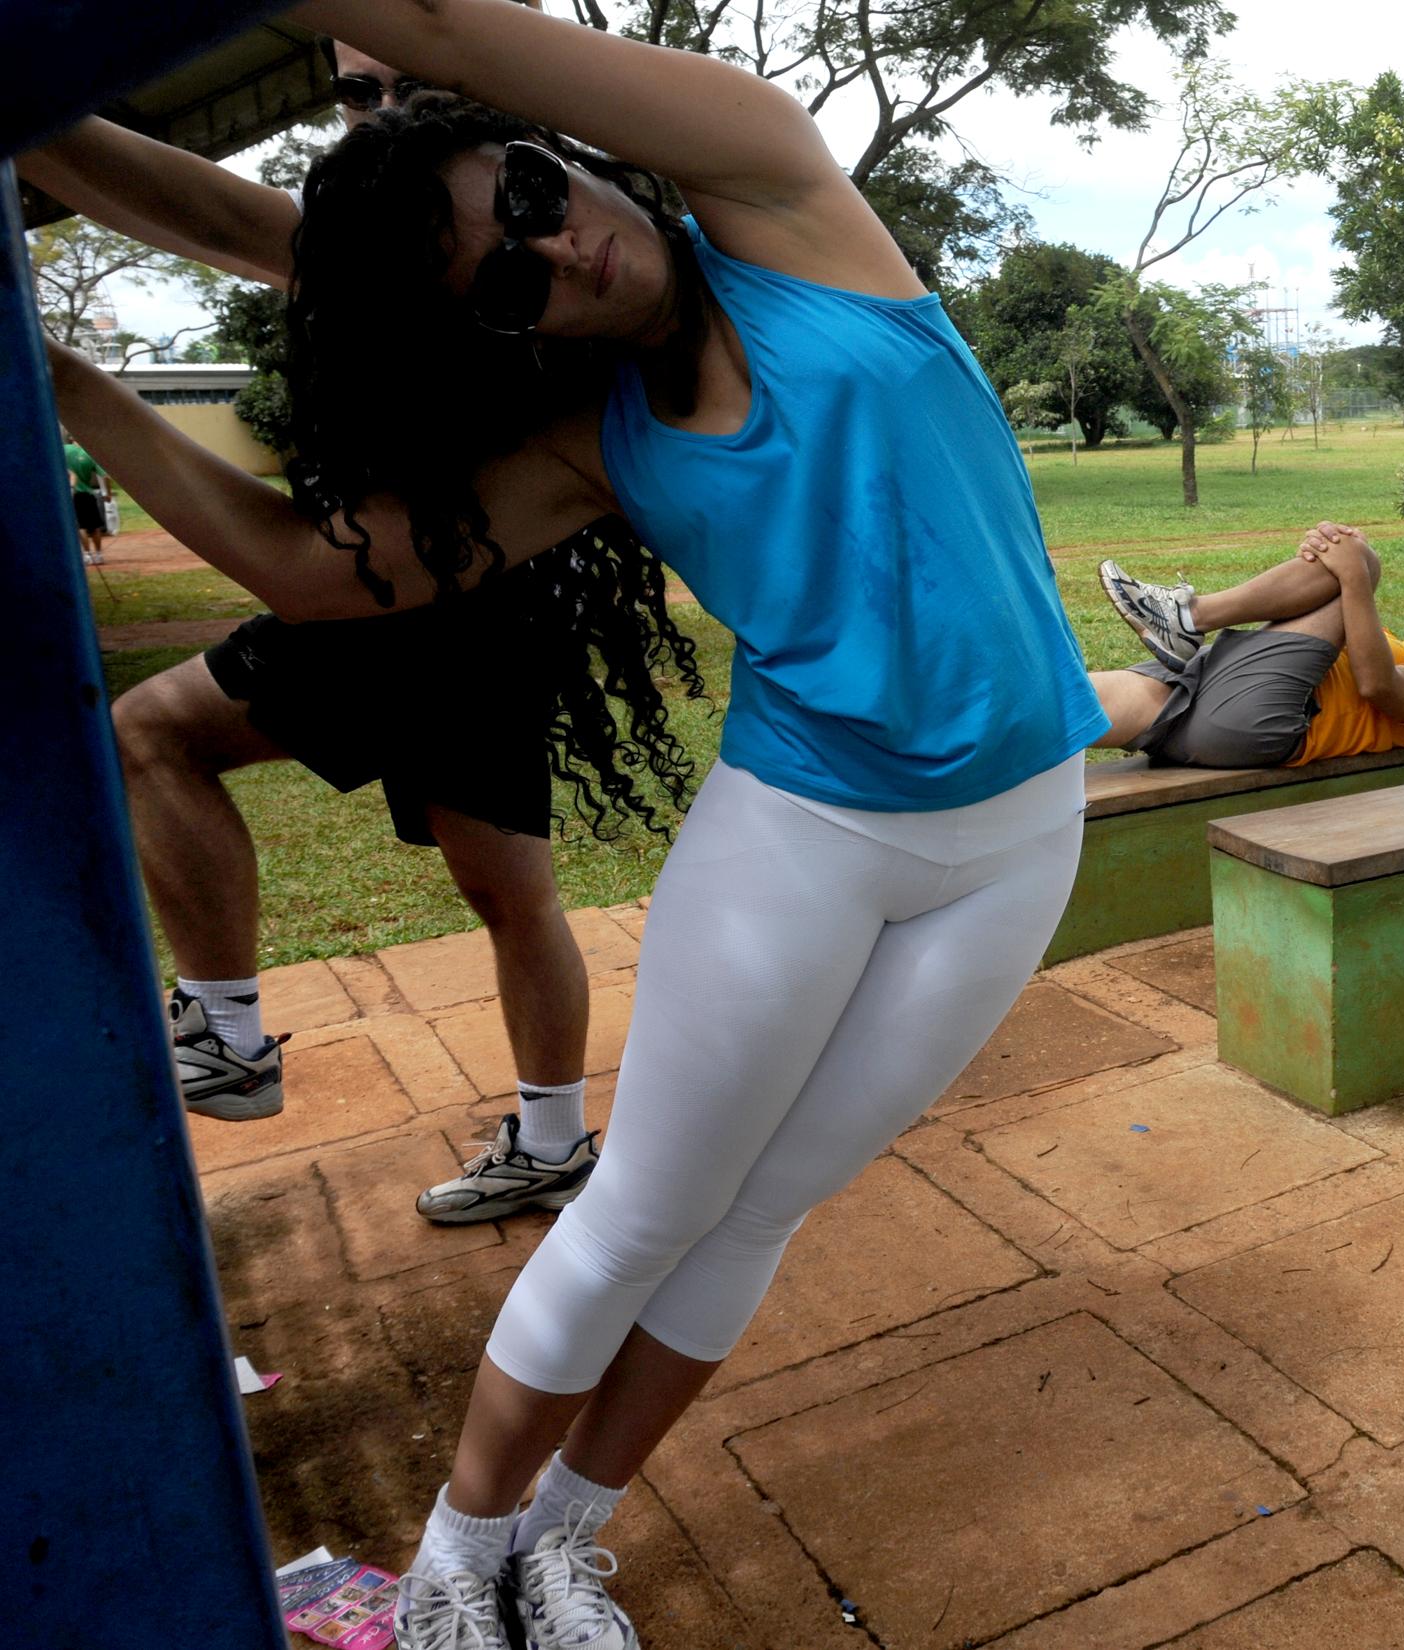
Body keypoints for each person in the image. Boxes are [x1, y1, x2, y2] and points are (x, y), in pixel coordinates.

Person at [48, 2, 1108, 1641]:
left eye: (538, 196)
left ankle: (565, 1533)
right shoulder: (583, 439)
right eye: (511, 278)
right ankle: (460, 1564)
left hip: (1024, 839)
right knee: (642, 1214)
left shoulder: (774, 193)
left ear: (568, 152)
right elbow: (310, 571)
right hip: (806, 840)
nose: (567, 251)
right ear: (501, 333)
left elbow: (435, 25)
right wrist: (54, 376)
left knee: (764, 1211)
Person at [19, 7, 642, 1228]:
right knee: (161, 735)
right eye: (360, 97)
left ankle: (505, 1123)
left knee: (502, 893)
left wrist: (70, 377)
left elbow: (228, 226)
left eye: (417, 85)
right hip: (394, 611)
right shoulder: (382, 243)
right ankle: (262, 1043)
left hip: (453, 622)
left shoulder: (534, 264)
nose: (389, 116)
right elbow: (206, 210)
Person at [1091, 526, 1404, 769]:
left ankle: (1189, 617)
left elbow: (1377, 684)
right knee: (1066, 703)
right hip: (1212, 700)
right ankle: (1184, 623)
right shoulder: (1390, 642)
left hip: (1267, 715)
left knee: (1362, 563)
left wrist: (1354, 565)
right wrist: (1333, 546)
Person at [65, 436, 113, 565]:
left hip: (73, 493)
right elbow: (105, 476)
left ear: (70, 438)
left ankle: (87, 555)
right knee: (94, 526)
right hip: (88, 493)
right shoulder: (90, 454)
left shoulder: (63, 450)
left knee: (81, 526)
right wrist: (108, 494)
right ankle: (98, 555)